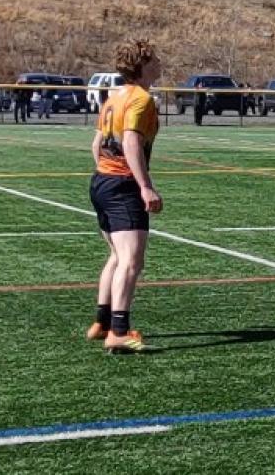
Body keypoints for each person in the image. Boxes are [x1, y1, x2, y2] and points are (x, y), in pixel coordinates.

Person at [86, 39, 164, 353]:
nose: (160, 63)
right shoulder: (141, 99)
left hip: (102, 181)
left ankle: (102, 322)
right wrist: (144, 186)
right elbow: (131, 143)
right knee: (131, 261)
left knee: (117, 256)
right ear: (142, 66)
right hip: (123, 185)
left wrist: (106, 173)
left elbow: (96, 145)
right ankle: (118, 331)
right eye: (155, 59)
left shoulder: (114, 97)